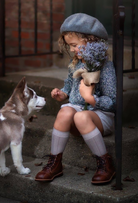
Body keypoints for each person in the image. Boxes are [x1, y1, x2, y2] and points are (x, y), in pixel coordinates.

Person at [35, 13, 116, 184]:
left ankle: (105, 164)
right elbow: (68, 86)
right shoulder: (75, 64)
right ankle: (55, 163)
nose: (71, 49)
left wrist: (91, 99)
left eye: (74, 45)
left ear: (92, 42)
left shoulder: (105, 66)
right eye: (69, 45)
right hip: (78, 113)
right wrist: (62, 94)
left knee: (81, 116)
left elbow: (112, 103)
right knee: (65, 112)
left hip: (99, 117)